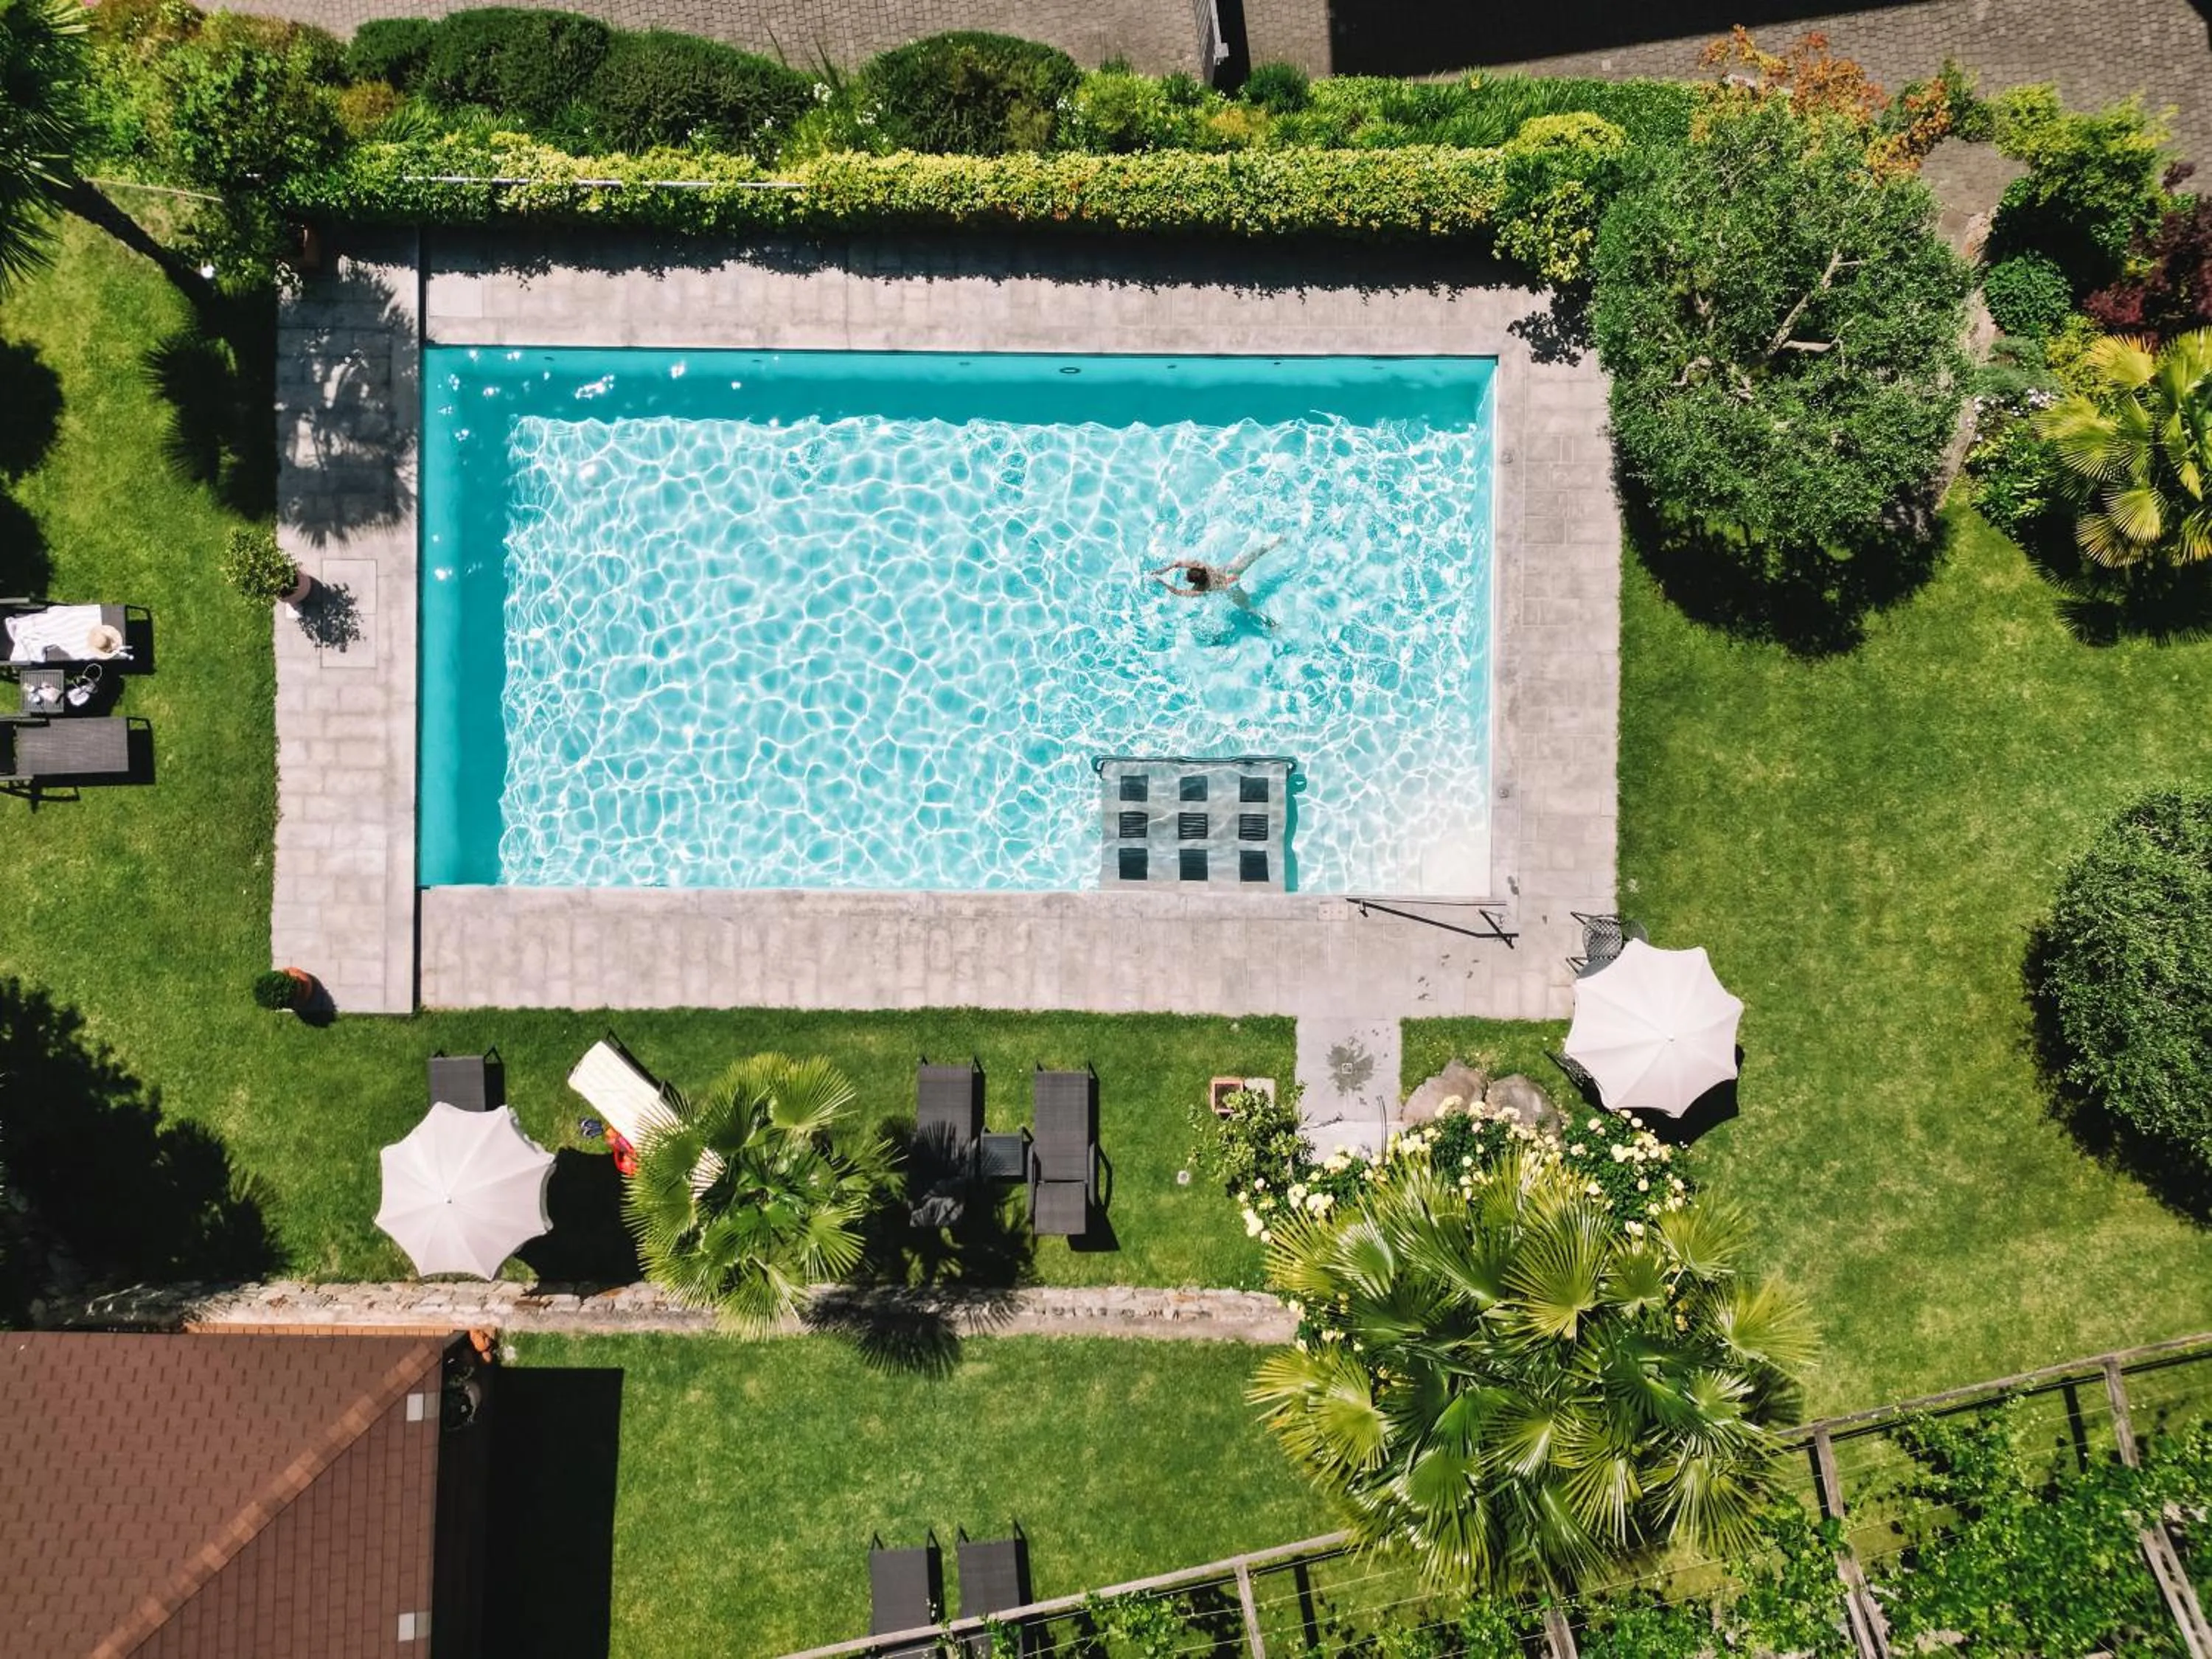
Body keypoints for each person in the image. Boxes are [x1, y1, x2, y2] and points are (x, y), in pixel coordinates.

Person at [1148, 535, 1283, 621]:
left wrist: (1161, 581)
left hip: (1231, 589)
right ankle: (1277, 541)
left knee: (1250, 609)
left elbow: (1177, 592)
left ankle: (1273, 625)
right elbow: (1179, 563)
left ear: (1195, 582)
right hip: (1230, 572)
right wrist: (1164, 570)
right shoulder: (1202, 566)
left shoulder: (1200, 589)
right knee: (1253, 556)